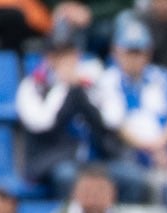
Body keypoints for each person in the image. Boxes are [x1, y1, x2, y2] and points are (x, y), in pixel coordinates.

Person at [95, 14, 167, 206]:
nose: (134, 58)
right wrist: (151, 148)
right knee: (135, 177)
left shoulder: (165, 78)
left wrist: (161, 142)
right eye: (129, 51)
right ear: (116, 52)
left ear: (148, 52)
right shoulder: (106, 81)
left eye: (139, 52)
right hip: (124, 155)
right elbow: (117, 126)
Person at [15, 27, 105, 198]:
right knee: (68, 176)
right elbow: (43, 122)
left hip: (91, 160)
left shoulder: (89, 83)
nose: (65, 60)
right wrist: (63, 87)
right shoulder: (32, 86)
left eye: (69, 53)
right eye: (58, 55)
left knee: (128, 178)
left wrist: (82, 89)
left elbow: (108, 121)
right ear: (48, 57)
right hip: (48, 162)